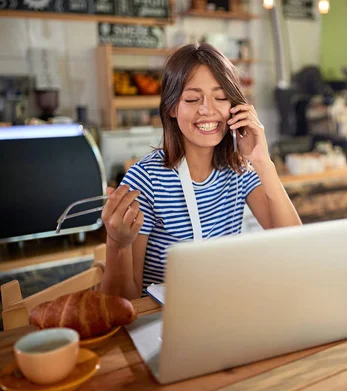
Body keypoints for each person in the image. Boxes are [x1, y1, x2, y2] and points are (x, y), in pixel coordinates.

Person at [100, 43, 302, 299]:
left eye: (220, 97)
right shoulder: (147, 180)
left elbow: (294, 244)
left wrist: (262, 161)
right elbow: (124, 302)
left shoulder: (239, 168)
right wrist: (118, 244)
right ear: (172, 107)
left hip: (221, 308)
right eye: (193, 99)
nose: (207, 109)